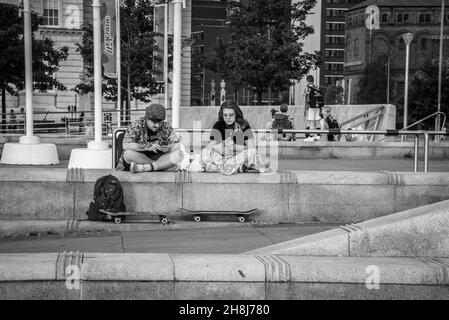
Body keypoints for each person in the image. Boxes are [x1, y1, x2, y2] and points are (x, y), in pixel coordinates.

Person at [202, 100, 270, 175]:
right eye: (225, 115)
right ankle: (240, 168)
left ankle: (219, 168)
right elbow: (208, 146)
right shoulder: (218, 125)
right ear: (222, 115)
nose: (228, 118)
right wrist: (217, 147)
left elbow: (251, 146)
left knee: (252, 152)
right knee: (205, 152)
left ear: (236, 114)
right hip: (223, 158)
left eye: (231, 115)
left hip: (238, 157)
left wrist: (234, 147)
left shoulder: (243, 124)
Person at [117, 103, 184, 172]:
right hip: (140, 158)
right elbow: (126, 145)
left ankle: (148, 167)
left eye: (160, 122)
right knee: (128, 154)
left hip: (159, 157)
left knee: (180, 154)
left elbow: (177, 145)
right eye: (154, 122)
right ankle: (160, 166)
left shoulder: (165, 125)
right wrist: (148, 146)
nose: (157, 125)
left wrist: (169, 147)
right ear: (147, 118)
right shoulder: (137, 124)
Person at [304, 75, 323, 142]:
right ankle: (318, 136)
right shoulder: (317, 87)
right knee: (317, 121)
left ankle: (311, 136)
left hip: (311, 106)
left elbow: (305, 97)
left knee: (311, 121)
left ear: (308, 81)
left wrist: (306, 105)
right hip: (317, 106)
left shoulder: (307, 88)